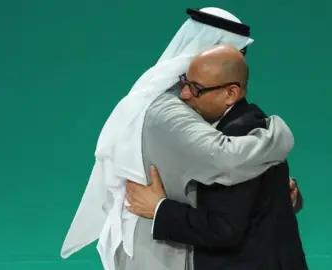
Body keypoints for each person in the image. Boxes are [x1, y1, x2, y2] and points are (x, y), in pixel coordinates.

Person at [60, 7, 294, 270]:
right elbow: (226, 158)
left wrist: (271, 191)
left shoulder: (183, 102)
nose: (240, 63)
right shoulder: (169, 110)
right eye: (237, 54)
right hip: (158, 250)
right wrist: (279, 136)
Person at [126, 45, 308, 270]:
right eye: (185, 82)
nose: (184, 95)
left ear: (230, 93)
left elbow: (224, 230)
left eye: (196, 89)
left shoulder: (236, 134)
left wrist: (159, 209)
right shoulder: (251, 119)